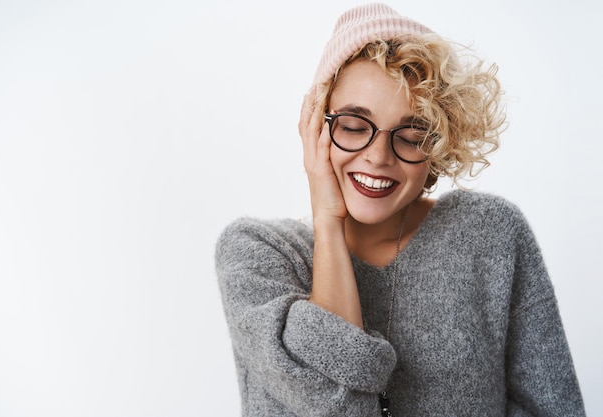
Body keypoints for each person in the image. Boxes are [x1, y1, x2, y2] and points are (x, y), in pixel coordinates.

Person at [215, 3, 585, 416]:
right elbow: (332, 405)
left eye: (411, 136)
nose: (377, 157)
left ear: (438, 147)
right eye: (354, 127)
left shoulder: (489, 233)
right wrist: (328, 221)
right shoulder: (257, 255)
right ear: (317, 125)